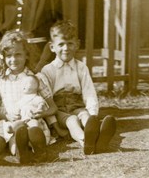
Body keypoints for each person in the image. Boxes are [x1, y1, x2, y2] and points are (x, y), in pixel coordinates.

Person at [0, 31, 57, 166]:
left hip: (32, 123)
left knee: (29, 131)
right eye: (9, 56)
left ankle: (36, 149)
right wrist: (6, 115)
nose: (13, 59)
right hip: (9, 124)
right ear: (3, 57)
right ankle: (18, 152)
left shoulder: (35, 78)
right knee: (14, 139)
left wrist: (42, 113)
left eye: (18, 54)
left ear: (26, 55)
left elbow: (53, 107)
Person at [39, 20, 117, 155]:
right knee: (72, 121)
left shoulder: (81, 67)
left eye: (70, 43)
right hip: (59, 109)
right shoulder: (48, 70)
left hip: (77, 105)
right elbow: (46, 100)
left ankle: (96, 133)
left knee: (85, 115)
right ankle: (85, 141)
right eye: (61, 44)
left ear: (77, 45)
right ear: (52, 47)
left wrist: (93, 115)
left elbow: (89, 92)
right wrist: (54, 124)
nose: (66, 48)